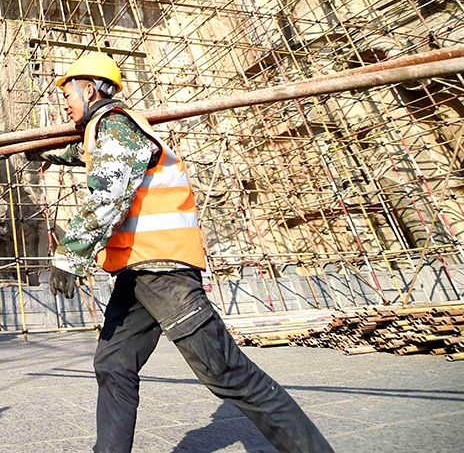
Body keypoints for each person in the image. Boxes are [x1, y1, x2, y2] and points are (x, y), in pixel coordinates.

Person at [30, 52, 333, 453]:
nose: (64, 104)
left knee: (226, 372)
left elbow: (109, 194)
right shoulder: (105, 132)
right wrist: (41, 150)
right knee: (113, 365)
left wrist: (69, 256)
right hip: (138, 273)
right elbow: (85, 154)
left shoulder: (117, 126)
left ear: (89, 89)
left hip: (164, 273)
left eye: (67, 94)